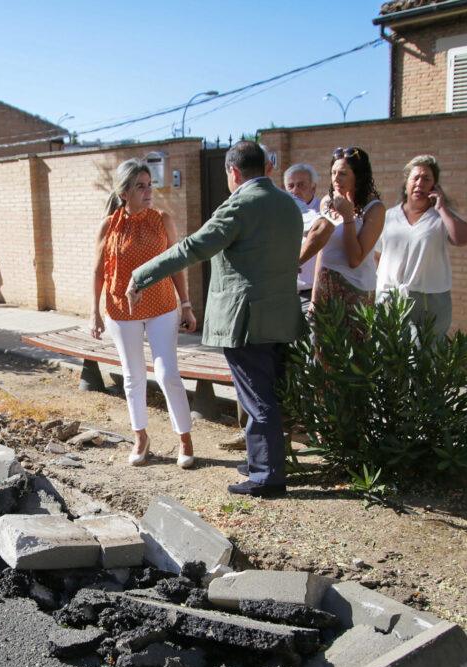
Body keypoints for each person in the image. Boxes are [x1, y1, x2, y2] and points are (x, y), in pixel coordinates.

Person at [127, 140, 303, 496]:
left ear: (232, 172)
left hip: (247, 319)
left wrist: (141, 275)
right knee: (270, 394)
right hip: (283, 315)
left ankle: (267, 478)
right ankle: (263, 463)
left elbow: (193, 248)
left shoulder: (238, 205)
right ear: (267, 168)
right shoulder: (289, 203)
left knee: (257, 398)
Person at [91, 159, 197, 470]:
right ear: (124, 192)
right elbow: (98, 271)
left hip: (162, 306)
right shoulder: (108, 225)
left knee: (167, 374)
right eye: (140, 186)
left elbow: (176, 264)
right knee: (133, 376)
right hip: (121, 311)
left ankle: (185, 439)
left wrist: (186, 304)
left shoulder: (162, 219)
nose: (149, 191)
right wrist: (93, 312)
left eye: (149, 184)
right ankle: (141, 437)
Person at [375, 155, 467, 337]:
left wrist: (442, 208)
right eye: (415, 178)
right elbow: (377, 256)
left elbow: (463, 238)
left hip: (429, 301)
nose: (420, 183)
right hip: (389, 297)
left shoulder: (441, 217)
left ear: (434, 186)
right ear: (406, 183)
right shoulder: (389, 216)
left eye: (426, 178)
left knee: (424, 357)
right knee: (386, 354)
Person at [312, 147, 385, 317]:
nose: (336, 179)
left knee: (353, 343)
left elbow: (354, 259)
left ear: (359, 176)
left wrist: (347, 217)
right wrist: (315, 294)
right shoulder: (327, 203)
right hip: (325, 287)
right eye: (333, 173)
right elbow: (321, 251)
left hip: (356, 291)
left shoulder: (375, 209)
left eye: (343, 173)